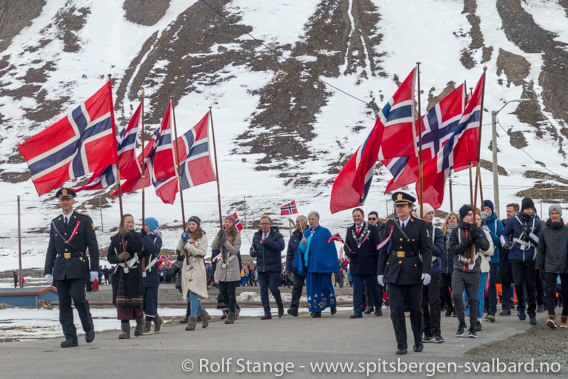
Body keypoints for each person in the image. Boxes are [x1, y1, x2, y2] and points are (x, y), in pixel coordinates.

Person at [377, 192, 432, 355]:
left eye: (402, 206)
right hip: (393, 270)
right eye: (397, 206)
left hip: (413, 269)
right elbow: (383, 249)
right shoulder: (390, 225)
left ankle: (417, 340)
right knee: (396, 309)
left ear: (410, 207)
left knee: (415, 308)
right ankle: (401, 344)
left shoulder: (420, 225)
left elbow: (426, 250)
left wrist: (426, 270)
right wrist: (380, 272)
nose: (399, 208)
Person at [44, 188, 99, 348]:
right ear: (59, 202)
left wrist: (94, 269)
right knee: (64, 302)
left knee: (78, 298)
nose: (65, 202)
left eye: (68, 199)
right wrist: (48, 270)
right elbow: (51, 249)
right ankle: (70, 337)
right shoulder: (55, 223)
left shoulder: (84, 220)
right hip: (61, 267)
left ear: (73, 201)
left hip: (78, 264)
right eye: (62, 200)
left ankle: (88, 328)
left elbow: (93, 246)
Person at [449, 205, 490, 338]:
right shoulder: (455, 232)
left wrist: (477, 235)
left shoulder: (479, 230)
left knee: (473, 298)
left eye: (473, 215)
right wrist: (468, 241)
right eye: (469, 215)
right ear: (463, 217)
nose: (472, 217)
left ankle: (473, 326)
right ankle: (462, 323)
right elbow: (454, 249)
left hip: (473, 269)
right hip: (459, 268)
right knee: (456, 294)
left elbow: (486, 247)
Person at [501, 197, 542, 325]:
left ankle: (532, 312)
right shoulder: (514, 220)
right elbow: (504, 234)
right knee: (518, 284)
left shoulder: (537, 223)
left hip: (530, 257)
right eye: (527, 208)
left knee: (530, 286)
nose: (529, 211)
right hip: (515, 256)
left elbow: (539, 241)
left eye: (531, 208)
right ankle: (521, 307)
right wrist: (505, 243)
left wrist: (529, 233)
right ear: (522, 209)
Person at [107, 214, 146, 339]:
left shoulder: (137, 236)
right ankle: (125, 331)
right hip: (120, 273)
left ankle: (140, 322)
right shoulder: (115, 238)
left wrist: (128, 236)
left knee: (134, 301)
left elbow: (138, 249)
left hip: (133, 272)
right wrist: (118, 257)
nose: (131, 224)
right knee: (121, 303)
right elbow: (109, 257)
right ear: (122, 223)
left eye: (133, 222)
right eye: (128, 222)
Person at [297, 211, 339, 318]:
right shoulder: (306, 232)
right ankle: (316, 309)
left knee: (325, 285)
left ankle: (332, 303)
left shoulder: (324, 232)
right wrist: (302, 244)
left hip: (323, 265)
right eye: (309, 219)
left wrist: (331, 264)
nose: (310, 221)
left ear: (317, 219)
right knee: (313, 288)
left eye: (312, 219)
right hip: (311, 265)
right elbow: (302, 250)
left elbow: (330, 249)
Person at [344, 208, 383, 318]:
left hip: (370, 264)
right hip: (356, 264)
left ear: (363, 216)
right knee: (357, 289)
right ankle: (357, 310)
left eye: (358, 216)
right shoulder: (350, 229)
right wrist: (349, 252)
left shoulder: (371, 229)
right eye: (354, 216)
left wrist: (378, 263)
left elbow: (377, 247)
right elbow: (346, 245)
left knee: (373, 288)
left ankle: (378, 306)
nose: (356, 218)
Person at [538, 205, 568, 328]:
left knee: (566, 292)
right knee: (549, 291)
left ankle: (564, 317)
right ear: (549, 215)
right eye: (552, 213)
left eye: (556, 213)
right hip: (549, 264)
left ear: (560, 215)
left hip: (565, 265)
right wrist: (541, 265)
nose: (554, 215)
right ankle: (551, 316)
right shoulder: (544, 231)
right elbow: (541, 249)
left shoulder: (566, 231)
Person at [178, 216, 210, 331]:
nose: (191, 226)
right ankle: (204, 315)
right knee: (190, 296)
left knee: (193, 293)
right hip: (187, 267)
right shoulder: (186, 236)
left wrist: (188, 246)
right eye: (189, 224)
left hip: (197, 267)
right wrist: (182, 241)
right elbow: (180, 251)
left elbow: (202, 253)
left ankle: (192, 321)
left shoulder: (202, 237)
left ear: (197, 225)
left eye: (193, 224)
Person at [250, 216, 285, 319]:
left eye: (266, 224)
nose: (264, 226)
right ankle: (267, 312)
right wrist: (253, 253)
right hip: (261, 267)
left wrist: (267, 242)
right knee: (263, 290)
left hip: (274, 267)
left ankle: (280, 305)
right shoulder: (257, 235)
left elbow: (281, 246)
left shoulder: (277, 235)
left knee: (274, 288)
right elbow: (252, 248)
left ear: (270, 224)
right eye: (262, 224)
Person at [420, 204, 445, 343]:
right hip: (419, 270)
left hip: (434, 269)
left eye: (431, 213)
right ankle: (426, 331)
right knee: (422, 302)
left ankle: (437, 332)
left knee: (435, 301)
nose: (431, 215)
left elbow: (440, 251)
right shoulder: (416, 230)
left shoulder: (437, 232)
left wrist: (427, 241)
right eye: (427, 213)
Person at [213, 215, 242, 324]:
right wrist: (218, 236)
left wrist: (225, 242)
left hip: (232, 264)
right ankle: (233, 307)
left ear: (233, 224)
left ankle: (231, 313)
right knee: (223, 291)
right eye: (225, 222)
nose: (227, 224)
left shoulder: (237, 235)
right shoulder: (222, 233)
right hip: (223, 264)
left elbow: (234, 251)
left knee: (231, 291)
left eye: (229, 222)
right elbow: (214, 246)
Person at [141, 217, 163, 335]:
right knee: (144, 300)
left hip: (151, 272)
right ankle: (157, 320)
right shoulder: (141, 237)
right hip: (141, 273)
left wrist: (145, 237)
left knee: (150, 299)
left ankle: (147, 324)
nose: (144, 226)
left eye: (146, 224)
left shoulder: (157, 239)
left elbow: (153, 249)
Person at [482, 200, 503, 322]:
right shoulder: (478, 223)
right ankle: (484, 308)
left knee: (491, 284)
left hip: (493, 258)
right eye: (483, 209)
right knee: (483, 283)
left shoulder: (497, 223)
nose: (486, 211)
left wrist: (489, 232)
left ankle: (492, 310)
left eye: (488, 209)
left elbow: (500, 241)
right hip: (481, 258)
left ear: (492, 210)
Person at [498, 203, 519, 316]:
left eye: (510, 211)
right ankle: (506, 307)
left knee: (519, 282)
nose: (508, 213)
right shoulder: (503, 223)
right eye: (507, 211)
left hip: (518, 254)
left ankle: (521, 305)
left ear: (516, 212)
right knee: (505, 281)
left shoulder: (520, 223)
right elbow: (501, 235)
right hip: (505, 255)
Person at [286, 215, 308, 316]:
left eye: (299, 222)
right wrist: (288, 268)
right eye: (296, 222)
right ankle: (294, 308)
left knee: (311, 287)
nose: (297, 224)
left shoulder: (310, 233)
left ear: (304, 223)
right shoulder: (293, 236)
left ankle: (314, 307)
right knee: (296, 288)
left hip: (308, 265)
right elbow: (289, 252)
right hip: (297, 265)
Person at [440, 212, 458, 316]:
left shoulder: (458, 232)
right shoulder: (442, 232)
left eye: (454, 218)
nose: (451, 220)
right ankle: (449, 306)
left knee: (455, 288)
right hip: (443, 264)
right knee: (444, 287)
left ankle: (456, 307)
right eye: (449, 218)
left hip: (454, 264)